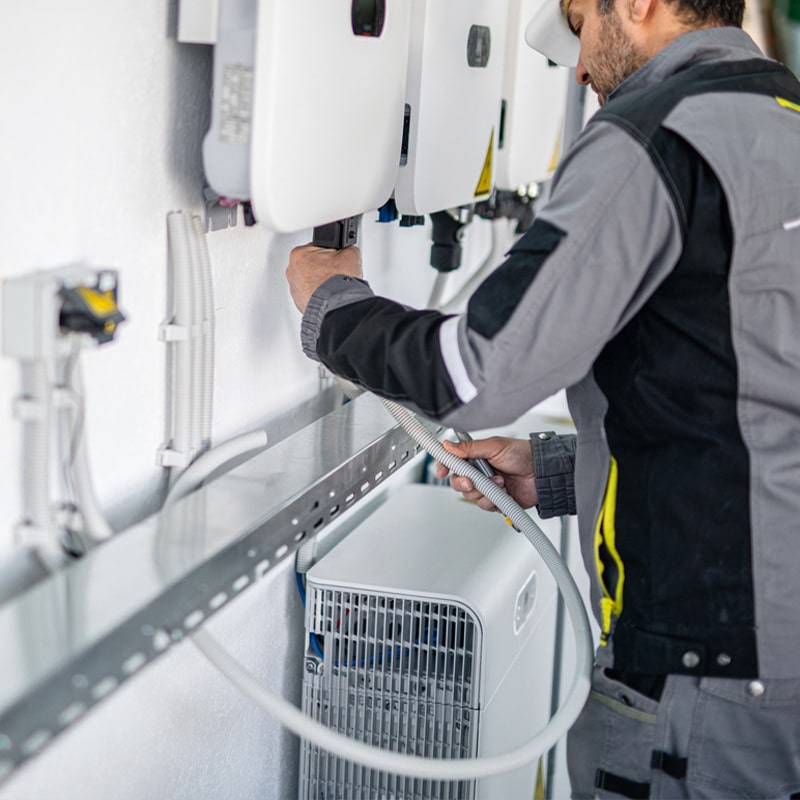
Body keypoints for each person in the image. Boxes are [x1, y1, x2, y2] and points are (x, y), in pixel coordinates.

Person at [285, 0, 800, 794]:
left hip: (709, 674)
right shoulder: (782, 115)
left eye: (581, 22)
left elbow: (475, 376)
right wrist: (560, 472)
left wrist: (334, 306)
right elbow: (750, 389)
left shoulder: (655, 136)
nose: (581, 65)